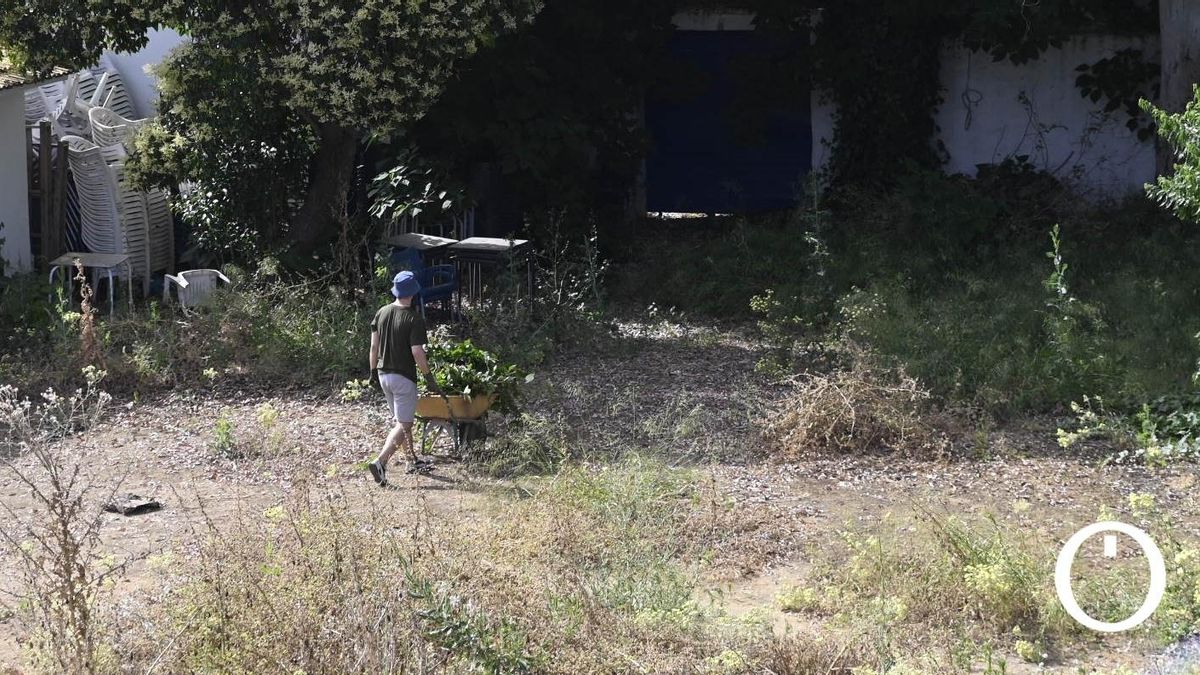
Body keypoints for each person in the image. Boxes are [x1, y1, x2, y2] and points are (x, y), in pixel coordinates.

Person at [367, 270, 442, 486]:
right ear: (413, 293)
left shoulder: (381, 312)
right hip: (403, 377)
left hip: (383, 375)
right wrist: (428, 377)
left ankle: (411, 460)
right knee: (405, 423)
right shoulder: (413, 318)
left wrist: (373, 372)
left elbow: (374, 346)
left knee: (401, 422)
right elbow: (417, 352)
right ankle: (380, 462)